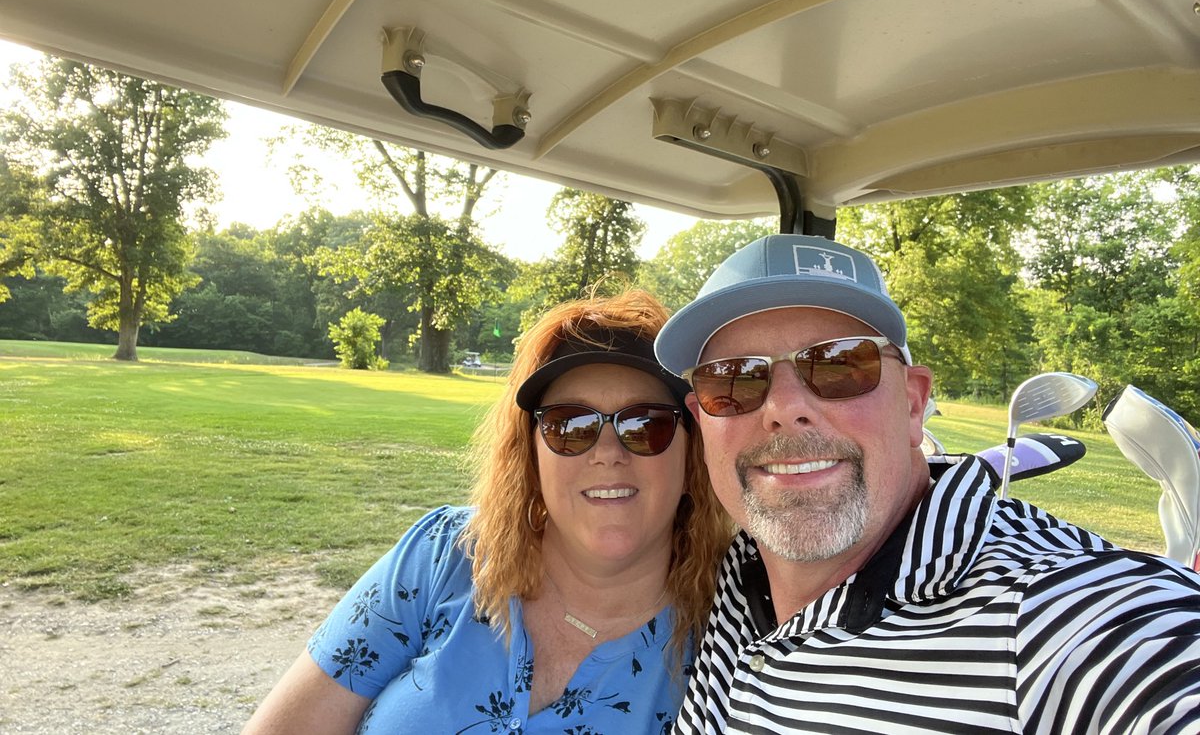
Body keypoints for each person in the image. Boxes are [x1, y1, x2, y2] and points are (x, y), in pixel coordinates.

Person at [653, 233, 1200, 734]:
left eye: (841, 365)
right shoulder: (735, 568)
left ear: (913, 403)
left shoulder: (1054, 619)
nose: (784, 408)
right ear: (703, 421)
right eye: (733, 379)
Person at [242, 289, 730, 735]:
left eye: (645, 424)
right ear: (531, 454)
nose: (606, 452)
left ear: (692, 454)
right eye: (570, 425)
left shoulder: (727, 634)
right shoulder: (444, 556)